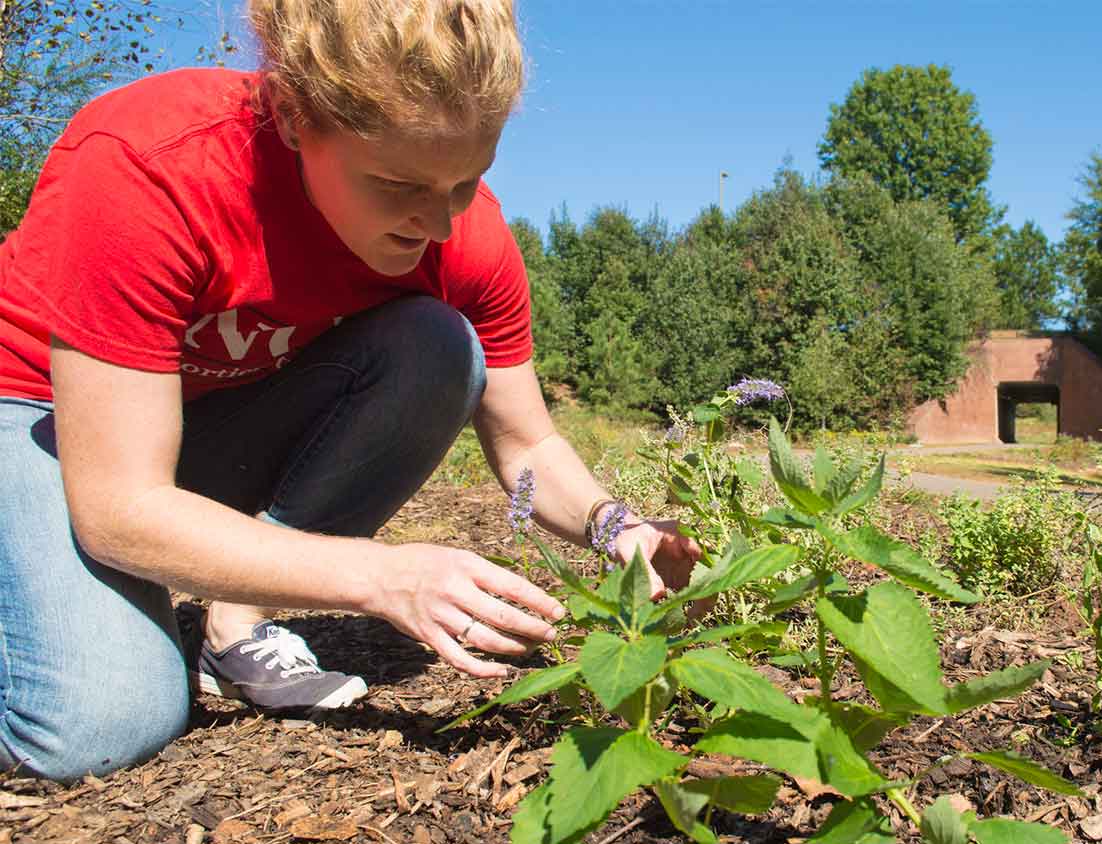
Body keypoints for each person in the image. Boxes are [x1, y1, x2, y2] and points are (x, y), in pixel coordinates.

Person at [0, 0, 701, 782]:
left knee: (439, 345)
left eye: (467, 180)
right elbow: (121, 508)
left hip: (191, 428)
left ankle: (239, 622)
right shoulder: (151, 165)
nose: (438, 222)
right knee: (98, 725)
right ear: (297, 115)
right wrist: (379, 575)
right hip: (39, 417)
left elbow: (528, 443)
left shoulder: (464, 235)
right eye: (397, 182)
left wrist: (619, 529)